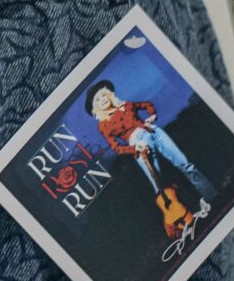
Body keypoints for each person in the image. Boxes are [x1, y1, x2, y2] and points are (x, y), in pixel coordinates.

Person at [89, 80, 214, 216]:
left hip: (154, 132)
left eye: (103, 95)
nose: (102, 100)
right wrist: (134, 148)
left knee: (185, 164)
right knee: (159, 184)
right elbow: (116, 148)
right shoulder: (103, 125)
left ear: (109, 95)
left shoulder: (126, 105)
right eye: (97, 100)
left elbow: (146, 104)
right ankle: (184, 216)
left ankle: (212, 196)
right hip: (139, 145)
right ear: (96, 107)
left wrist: (152, 114)